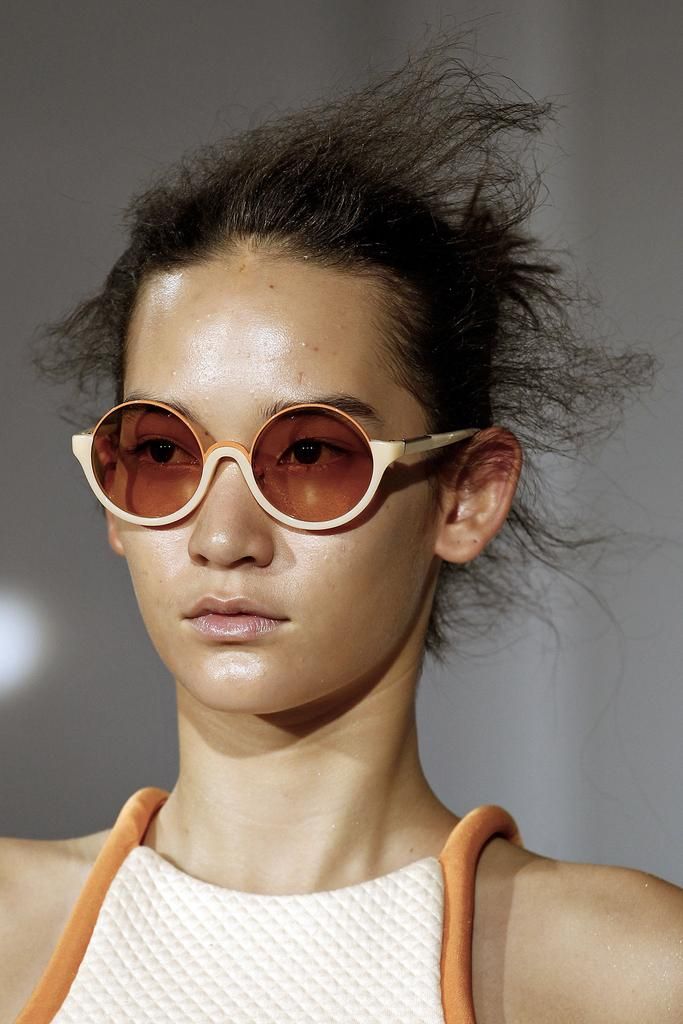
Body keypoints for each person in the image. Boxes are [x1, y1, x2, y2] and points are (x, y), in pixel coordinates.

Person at [3, 40, 682, 1024]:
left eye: (311, 454)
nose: (223, 536)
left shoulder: (628, 976)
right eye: (161, 452)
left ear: (466, 495)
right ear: (112, 494)